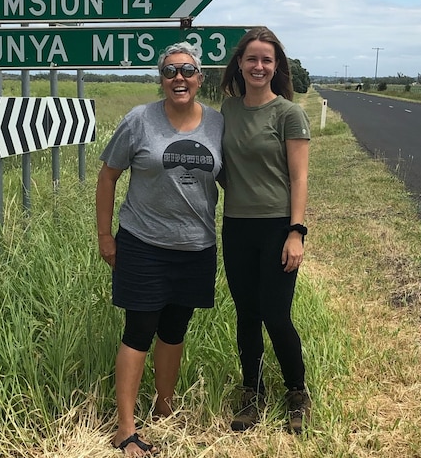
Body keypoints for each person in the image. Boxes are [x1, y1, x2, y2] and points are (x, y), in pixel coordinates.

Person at [96, 41, 223, 456]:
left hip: (196, 246)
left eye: (187, 71)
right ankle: (126, 429)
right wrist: (105, 235)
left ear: (200, 78)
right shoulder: (139, 121)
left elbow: (238, 179)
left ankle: (165, 410)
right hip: (143, 244)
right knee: (139, 331)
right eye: (170, 72)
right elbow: (107, 177)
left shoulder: (219, 125)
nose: (179, 79)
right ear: (161, 79)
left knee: (174, 331)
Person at [218, 26, 312, 434]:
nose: (259, 66)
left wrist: (296, 232)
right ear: (240, 63)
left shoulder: (289, 113)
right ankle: (252, 393)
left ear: (277, 67)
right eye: (252, 58)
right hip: (236, 226)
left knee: (276, 314)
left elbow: (300, 177)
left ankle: (296, 392)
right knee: (246, 314)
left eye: (267, 60)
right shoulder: (227, 112)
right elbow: (224, 167)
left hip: (277, 227)